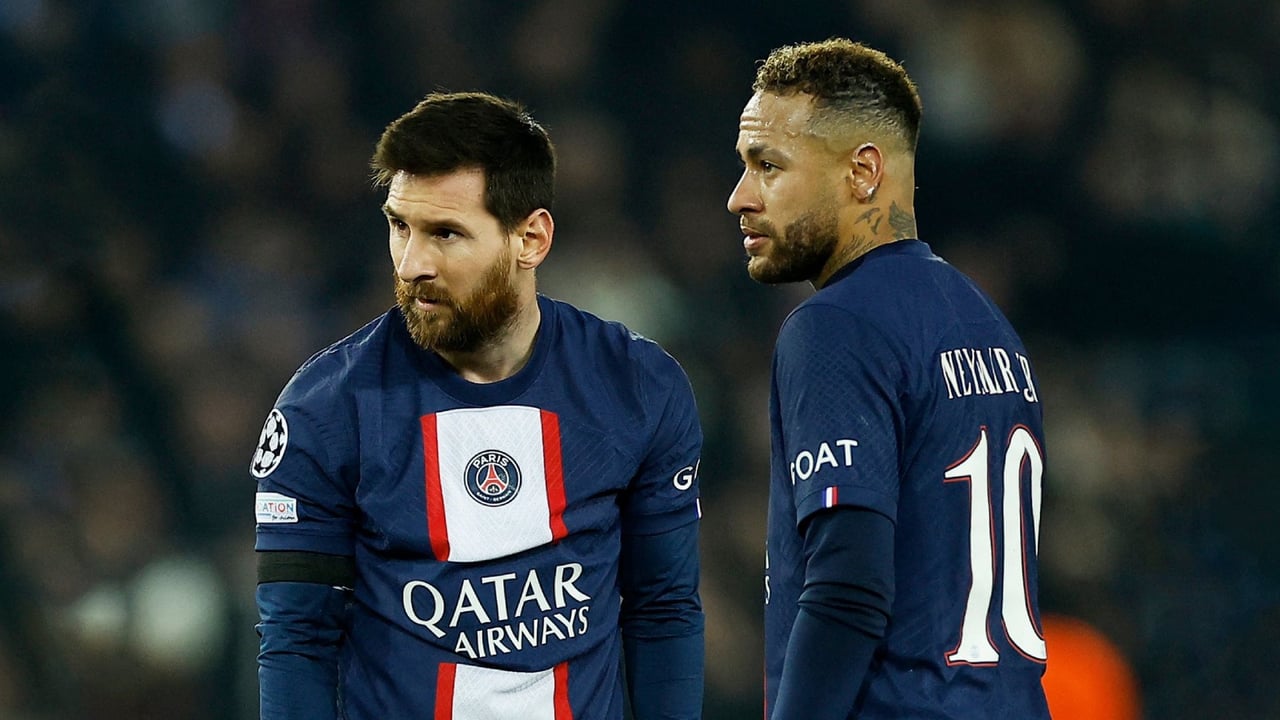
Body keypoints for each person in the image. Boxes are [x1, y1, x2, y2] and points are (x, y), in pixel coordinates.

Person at [251, 91, 705, 720]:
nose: (412, 264)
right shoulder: (324, 411)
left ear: (531, 239)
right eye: (399, 226)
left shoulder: (638, 386)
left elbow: (663, 609)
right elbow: (296, 643)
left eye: (445, 233)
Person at [727, 39, 1050, 719]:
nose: (740, 198)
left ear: (863, 172)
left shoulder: (837, 326)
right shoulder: (989, 326)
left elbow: (848, 588)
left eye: (768, 166)